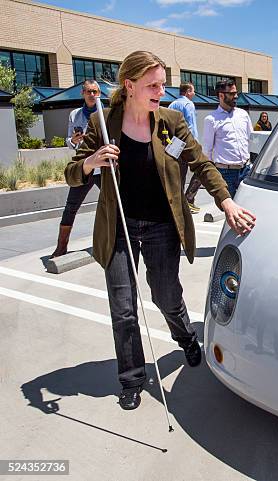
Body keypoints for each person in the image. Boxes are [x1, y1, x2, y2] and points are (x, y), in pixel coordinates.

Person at [65, 51, 256, 410]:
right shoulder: (104, 122)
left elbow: (200, 162)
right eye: (153, 85)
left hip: (161, 227)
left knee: (166, 296)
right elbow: (72, 173)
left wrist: (225, 201)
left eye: (163, 84)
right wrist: (91, 161)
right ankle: (131, 378)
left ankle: (184, 336)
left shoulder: (169, 122)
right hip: (119, 226)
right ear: (130, 86)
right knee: (123, 309)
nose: (160, 91)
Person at [50, 80, 102, 258]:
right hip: (84, 166)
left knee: (117, 203)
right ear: (83, 93)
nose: (92, 95)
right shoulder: (75, 114)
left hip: (103, 168)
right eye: (89, 91)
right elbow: (69, 142)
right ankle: (61, 245)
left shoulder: (106, 114)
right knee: (71, 207)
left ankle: (124, 238)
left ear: (99, 93)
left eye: (95, 91)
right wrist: (74, 140)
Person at [200, 79, 253, 197]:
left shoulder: (243, 114)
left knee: (248, 205)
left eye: (236, 93)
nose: (236, 96)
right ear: (221, 95)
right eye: (232, 94)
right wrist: (210, 175)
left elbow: (252, 139)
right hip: (226, 173)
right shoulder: (211, 119)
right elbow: (207, 150)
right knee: (231, 209)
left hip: (246, 170)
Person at [169, 82, 201, 214]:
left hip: (173, 143)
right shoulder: (188, 104)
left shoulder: (172, 104)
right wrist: (195, 144)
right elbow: (191, 126)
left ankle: (179, 203)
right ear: (188, 91)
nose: (194, 94)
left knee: (178, 174)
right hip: (186, 143)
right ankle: (188, 199)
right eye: (193, 91)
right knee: (200, 169)